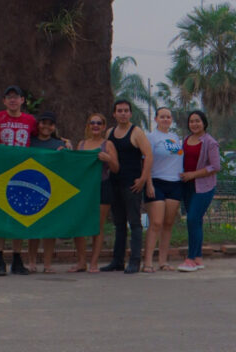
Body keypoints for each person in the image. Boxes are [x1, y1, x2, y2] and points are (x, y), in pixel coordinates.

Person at [0, 84, 39, 275]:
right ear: (4, 101)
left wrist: (62, 141)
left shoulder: (30, 120)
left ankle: (17, 259)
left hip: (22, 172)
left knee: (19, 215)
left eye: (16, 96)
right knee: (0, 216)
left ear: (22, 100)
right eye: (9, 96)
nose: (12, 99)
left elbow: (40, 138)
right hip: (1, 172)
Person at [100, 98, 153, 274]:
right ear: (114, 114)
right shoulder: (110, 133)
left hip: (132, 184)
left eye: (126, 110)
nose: (123, 113)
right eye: (119, 110)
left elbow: (148, 155)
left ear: (130, 113)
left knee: (135, 223)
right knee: (119, 223)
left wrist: (143, 179)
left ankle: (135, 261)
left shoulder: (136, 132)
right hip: (114, 183)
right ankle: (117, 260)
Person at [71, 112, 119, 273]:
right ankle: (81, 261)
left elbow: (116, 168)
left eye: (99, 123)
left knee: (97, 226)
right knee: (80, 225)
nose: (95, 126)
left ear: (104, 126)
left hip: (102, 186)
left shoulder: (108, 145)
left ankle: (93, 262)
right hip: (84, 189)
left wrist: (109, 159)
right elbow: (76, 167)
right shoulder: (82, 144)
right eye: (92, 123)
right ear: (88, 126)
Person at [177, 109, 221, 272]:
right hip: (187, 186)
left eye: (197, 121)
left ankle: (190, 258)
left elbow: (215, 166)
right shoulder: (186, 140)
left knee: (192, 219)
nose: (194, 124)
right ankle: (198, 257)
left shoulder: (210, 142)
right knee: (196, 222)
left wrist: (193, 174)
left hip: (203, 187)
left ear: (204, 123)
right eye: (191, 121)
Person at [27, 111, 71, 273]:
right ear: (38, 125)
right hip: (32, 187)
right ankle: (31, 262)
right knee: (34, 227)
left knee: (49, 228)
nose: (46, 126)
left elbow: (67, 164)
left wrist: (67, 151)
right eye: (43, 122)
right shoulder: (29, 142)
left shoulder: (59, 144)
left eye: (50, 124)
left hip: (52, 189)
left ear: (54, 127)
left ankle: (47, 264)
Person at [142, 106, 184, 272]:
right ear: (156, 119)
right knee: (156, 223)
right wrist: (149, 183)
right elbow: (146, 161)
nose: (165, 119)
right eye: (162, 117)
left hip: (174, 183)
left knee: (168, 223)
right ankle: (148, 262)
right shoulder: (151, 137)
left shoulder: (175, 137)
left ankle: (163, 261)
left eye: (168, 117)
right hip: (156, 182)